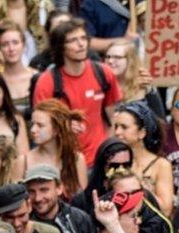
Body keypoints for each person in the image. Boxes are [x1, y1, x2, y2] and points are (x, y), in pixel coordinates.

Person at [32, 18, 122, 167]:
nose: (81, 44)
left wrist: (108, 150)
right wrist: (63, 126)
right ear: (61, 47)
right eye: (73, 40)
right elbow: (40, 125)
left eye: (83, 38)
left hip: (99, 159)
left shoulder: (103, 72)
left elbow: (112, 118)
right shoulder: (47, 81)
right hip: (64, 161)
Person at [112, 101, 174, 216]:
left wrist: (139, 188)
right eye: (116, 126)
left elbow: (166, 209)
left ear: (142, 133)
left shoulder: (161, 165)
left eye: (124, 127)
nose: (117, 132)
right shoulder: (112, 161)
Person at [24, 164, 97, 233]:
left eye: (44, 190)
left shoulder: (80, 220)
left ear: (59, 189)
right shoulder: (23, 221)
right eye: (31, 191)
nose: (37, 198)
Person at [26, 99, 88, 199]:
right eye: (32, 124)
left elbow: (83, 200)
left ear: (56, 129)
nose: (33, 130)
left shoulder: (76, 159)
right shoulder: (24, 160)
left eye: (40, 125)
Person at [103, 39, 165, 116]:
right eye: (108, 57)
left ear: (130, 60)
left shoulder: (145, 85)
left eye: (117, 57)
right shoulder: (100, 84)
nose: (110, 61)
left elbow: (161, 121)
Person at [0, 20, 37, 118]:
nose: (11, 49)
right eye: (5, 44)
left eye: (15, 43)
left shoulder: (37, 77)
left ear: (23, 45)